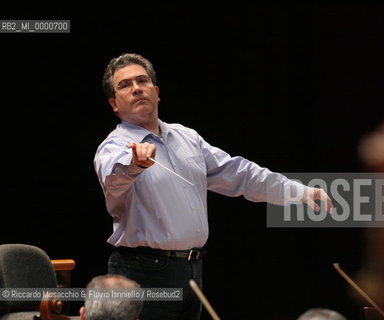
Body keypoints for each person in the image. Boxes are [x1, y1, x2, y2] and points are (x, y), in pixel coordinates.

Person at [94, 53, 332, 320]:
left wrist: (297, 191)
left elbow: (239, 173)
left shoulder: (187, 137)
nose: (137, 88)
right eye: (125, 85)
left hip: (192, 268)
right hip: (143, 272)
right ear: (114, 104)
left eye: (142, 80)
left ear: (156, 92)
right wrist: (135, 164)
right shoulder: (114, 147)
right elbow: (114, 179)